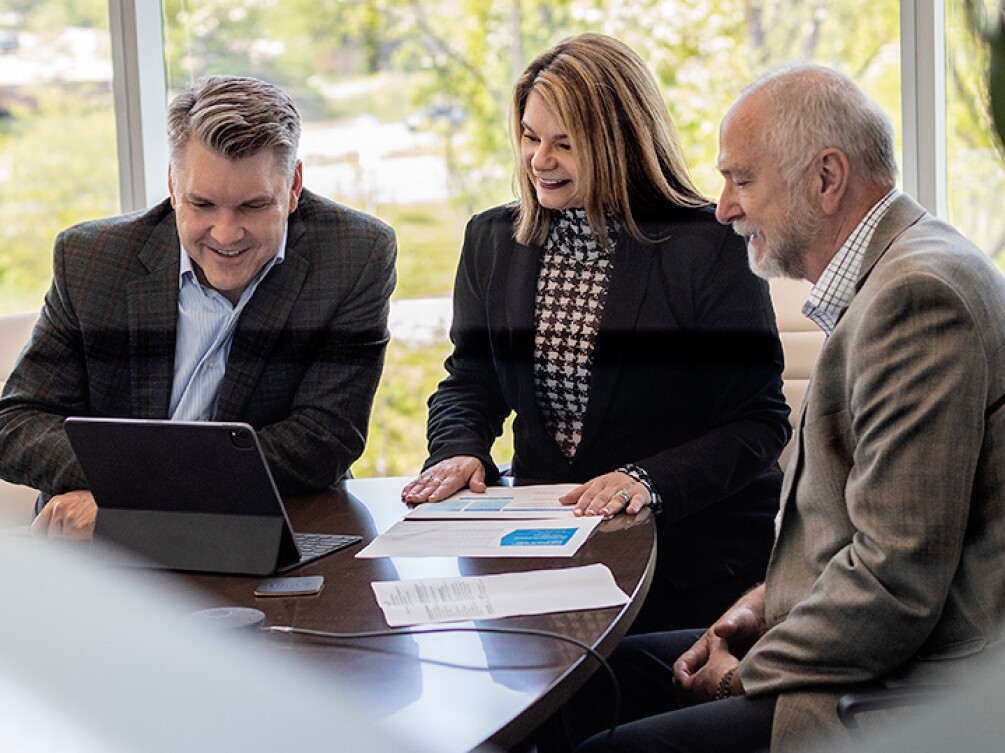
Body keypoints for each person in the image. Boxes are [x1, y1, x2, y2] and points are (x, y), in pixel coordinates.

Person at [552, 64, 1005, 753]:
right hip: (841, 637)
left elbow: (894, 585)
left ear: (826, 178)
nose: (723, 209)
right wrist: (755, 605)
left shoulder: (916, 298)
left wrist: (745, 673)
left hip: (899, 684)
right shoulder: (892, 274)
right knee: (579, 679)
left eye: (741, 180)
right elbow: (861, 527)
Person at [401, 33, 791, 632]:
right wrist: (459, 449)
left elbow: (756, 422)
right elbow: (470, 381)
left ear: (620, 144)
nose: (539, 160)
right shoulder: (493, 241)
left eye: (564, 144)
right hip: (537, 552)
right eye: (531, 138)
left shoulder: (705, 246)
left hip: (685, 556)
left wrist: (644, 483)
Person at [0, 75, 396, 539]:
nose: (225, 234)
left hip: (262, 535)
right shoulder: (92, 259)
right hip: (96, 550)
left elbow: (324, 439)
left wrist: (133, 503)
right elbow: (16, 423)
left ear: (293, 187)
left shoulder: (354, 253)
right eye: (202, 204)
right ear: (173, 185)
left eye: (253, 205)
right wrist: (141, 503)